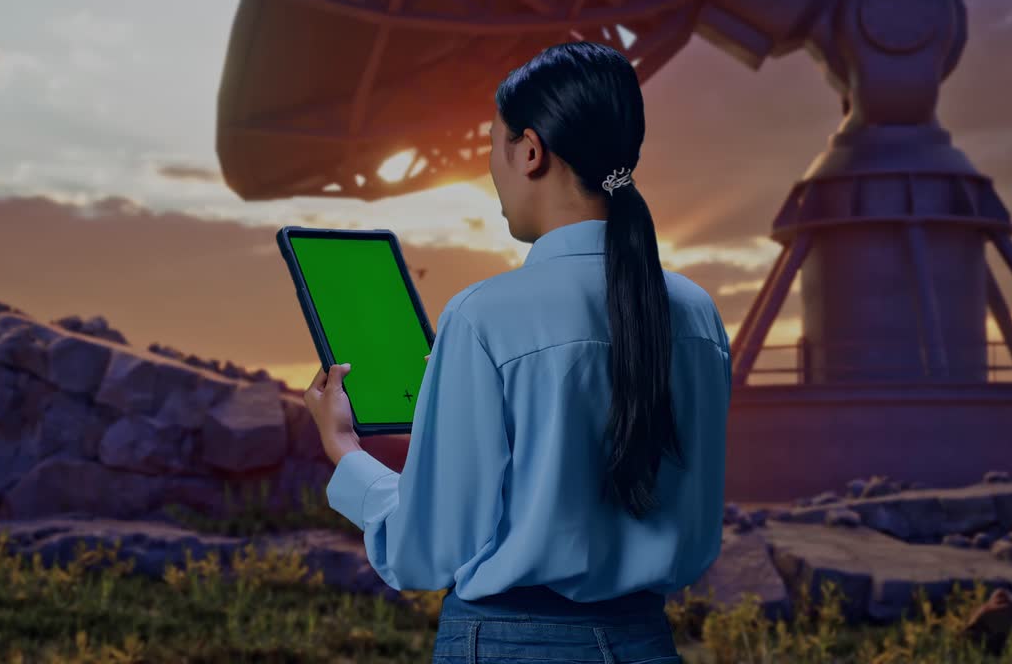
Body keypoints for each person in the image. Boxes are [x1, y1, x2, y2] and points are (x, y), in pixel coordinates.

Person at [305, 40, 731, 664]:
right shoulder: (698, 313)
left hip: (509, 644)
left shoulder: (483, 318)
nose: (492, 174)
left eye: (494, 150)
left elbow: (426, 550)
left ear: (530, 151)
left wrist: (344, 452)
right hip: (646, 642)